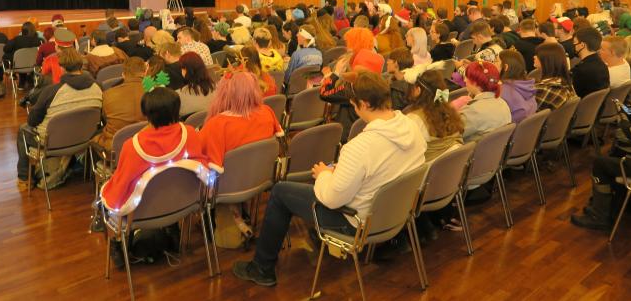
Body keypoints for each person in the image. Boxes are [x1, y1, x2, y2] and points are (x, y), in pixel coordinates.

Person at [232, 71, 426, 288]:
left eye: (353, 103)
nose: (352, 106)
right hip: (395, 214)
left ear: (363, 104)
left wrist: (323, 175)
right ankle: (315, 238)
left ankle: (261, 268)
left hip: (357, 222)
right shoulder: (412, 127)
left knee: (280, 192)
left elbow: (333, 200)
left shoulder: (360, 147)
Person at [101, 86, 207, 211]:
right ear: (176, 110)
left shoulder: (132, 146)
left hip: (143, 212)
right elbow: (202, 168)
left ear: (146, 113)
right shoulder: (189, 133)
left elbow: (121, 185)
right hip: (183, 204)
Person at [16, 48, 103, 189]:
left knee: (23, 130)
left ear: (62, 67)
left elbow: (32, 121)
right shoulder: (98, 87)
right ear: (81, 66)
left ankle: (25, 179)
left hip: (53, 141)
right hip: (85, 137)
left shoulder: (51, 91)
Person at [199, 71, 283, 173]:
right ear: (255, 90)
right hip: (263, 176)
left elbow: (199, 156)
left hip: (230, 181)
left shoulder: (217, 125)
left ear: (226, 92)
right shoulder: (267, 112)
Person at [406, 70, 464, 161]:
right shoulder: (450, 112)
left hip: (430, 166)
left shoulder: (414, 119)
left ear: (418, 90)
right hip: (456, 163)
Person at [91, 57, 147, 151]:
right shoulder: (157, 92)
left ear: (123, 75)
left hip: (115, 146)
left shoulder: (108, 94)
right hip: (146, 144)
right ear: (145, 73)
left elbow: (105, 118)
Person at [460, 61, 512, 141]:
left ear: (475, 83)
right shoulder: (503, 103)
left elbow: (448, 134)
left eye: (466, 77)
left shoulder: (472, 111)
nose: (464, 80)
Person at [534, 42, 577, 111]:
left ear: (547, 60)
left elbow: (526, 115)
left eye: (537, 55)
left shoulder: (545, 89)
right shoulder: (565, 82)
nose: (534, 57)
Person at [498, 50, 537, 124]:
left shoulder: (502, 91)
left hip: (509, 129)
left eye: (495, 61)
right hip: (526, 129)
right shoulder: (527, 85)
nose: (492, 64)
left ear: (505, 67)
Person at [175, 51, 217, 118]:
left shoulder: (178, 96)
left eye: (182, 68)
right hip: (215, 122)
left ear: (186, 70)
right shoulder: (218, 89)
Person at [571, 27, 610, 98]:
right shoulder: (602, 64)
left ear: (582, 45)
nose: (573, 45)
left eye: (574, 42)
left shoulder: (580, 70)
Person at [3, 21, 42, 90]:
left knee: (10, 56)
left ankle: (22, 81)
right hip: (34, 65)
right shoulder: (39, 40)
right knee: (30, 57)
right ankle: (30, 79)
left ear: (22, 31)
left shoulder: (16, 39)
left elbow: (6, 49)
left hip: (18, 66)